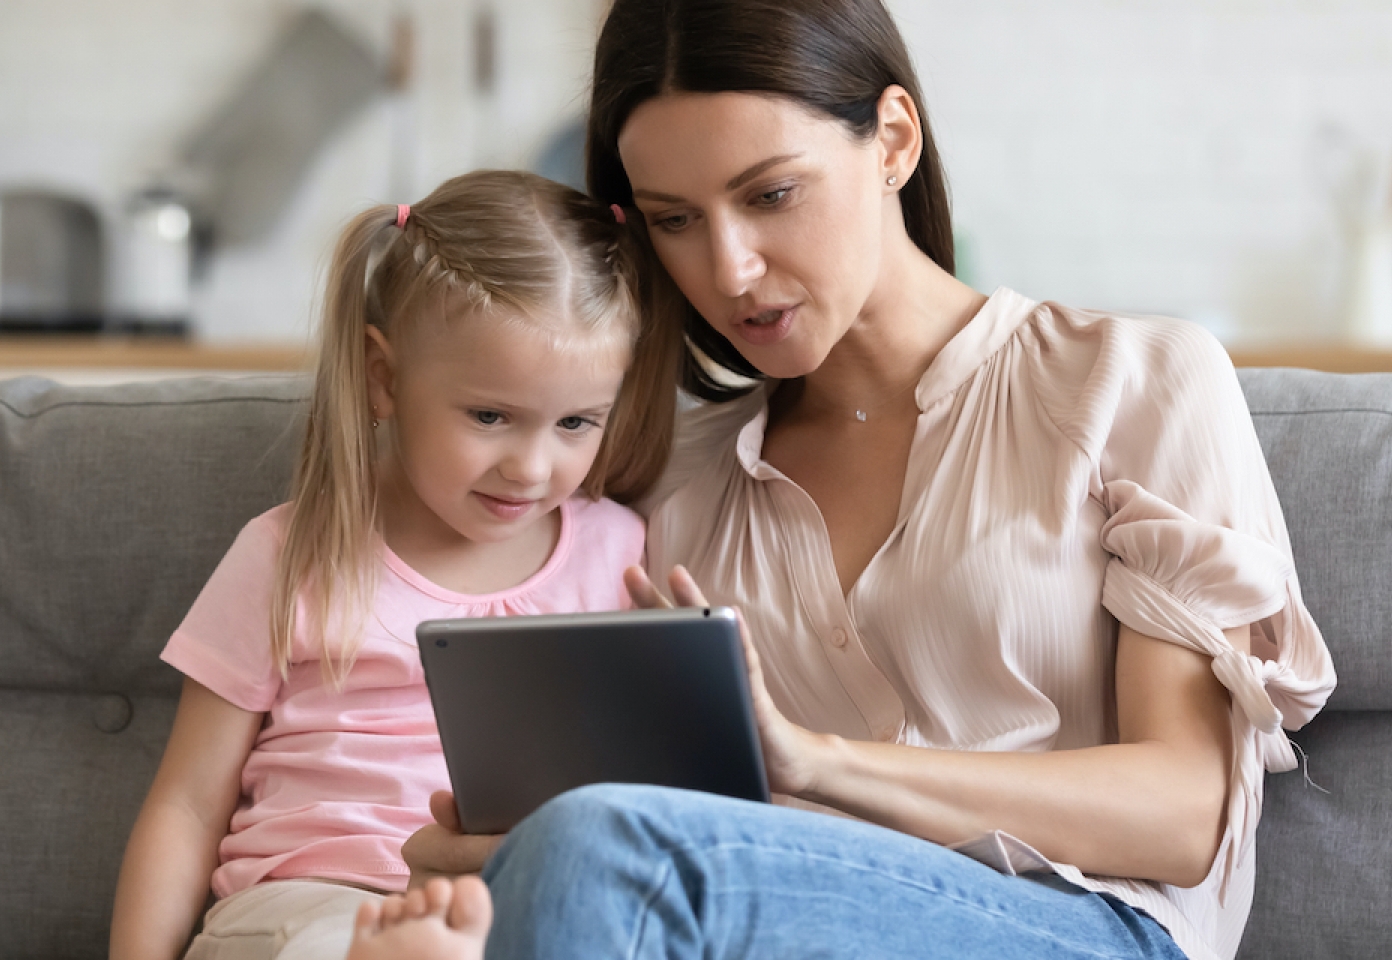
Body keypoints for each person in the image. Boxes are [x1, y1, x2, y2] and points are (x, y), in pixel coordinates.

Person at [396, 1, 1338, 959]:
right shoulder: (671, 483)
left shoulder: (1130, 382)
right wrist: (504, 851)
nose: (729, 269)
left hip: (1091, 929)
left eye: (769, 195)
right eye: (675, 220)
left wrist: (819, 766)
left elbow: (1183, 814)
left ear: (892, 139)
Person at [107, 169, 680, 960]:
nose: (531, 467)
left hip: (510, 911)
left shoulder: (621, 555)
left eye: (576, 422)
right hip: (303, 911)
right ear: (384, 379)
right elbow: (186, 807)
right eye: (490, 416)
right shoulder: (291, 553)